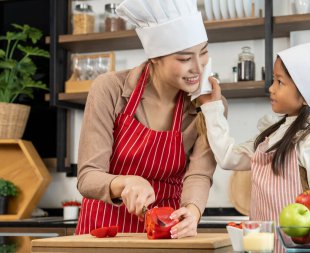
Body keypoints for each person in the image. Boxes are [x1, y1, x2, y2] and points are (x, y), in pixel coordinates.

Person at [75, 0, 223, 239]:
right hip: (104, 230)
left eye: (203, 52)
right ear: (155, 57)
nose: (198, 67)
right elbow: (88, 176)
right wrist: (124, 183)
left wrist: (192, 211)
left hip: (167, 228)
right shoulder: (110, 89)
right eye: (185, 59)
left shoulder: (209, 104)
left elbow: (200, 173)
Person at [199, 26, 310, 228]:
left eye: (280, 82)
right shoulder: (272, 135)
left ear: (306, 95)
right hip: (262, 246)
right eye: (273, 80)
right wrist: (212, 107)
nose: (271, 88)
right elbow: (227, 157)